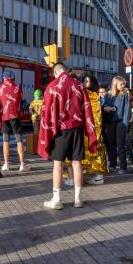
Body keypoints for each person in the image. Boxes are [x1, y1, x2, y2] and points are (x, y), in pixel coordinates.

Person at [37, 64, 97, 209]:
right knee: (77, 163)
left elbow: (46, 112)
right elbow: (87, 108)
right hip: (77, 128)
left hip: (60, 130)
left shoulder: (52, 86)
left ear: (56, 72)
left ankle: (57, 199)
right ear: (66, 70)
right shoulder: (79, 85)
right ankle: (78, 199)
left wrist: (47, 132)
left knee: (58, 164)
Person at [78, 74, 109, 185]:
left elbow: (95, 116)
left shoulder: (93, 96)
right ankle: (86, 173)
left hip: (92, 129)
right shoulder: (84, 94)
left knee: (95, 150)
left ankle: (98, 177)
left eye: (87, 81)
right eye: (83, 81)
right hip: (84, 129)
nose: (84, 83)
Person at [0, 73, 27, 173]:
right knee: (19, 140)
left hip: (4, 117)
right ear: (13, 78)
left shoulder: (0, 87)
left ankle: (6, 164)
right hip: (15, 117)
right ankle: (22, 164)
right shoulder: (18, 87)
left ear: (4, 78)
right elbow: (21, 100)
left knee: (6, 140)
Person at [106, 77, 133, 174]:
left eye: (124, 84)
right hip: (110, 122)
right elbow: (103, 105)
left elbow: (127, 109)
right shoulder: (108, 94)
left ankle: (123, 167)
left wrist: (125, 123)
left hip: (120, 122)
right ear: (115, 84)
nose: (123, 86)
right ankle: (112, 165)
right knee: (111, 144)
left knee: (121, 145)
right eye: (121, 84)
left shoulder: (125, 94)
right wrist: (106, 108)